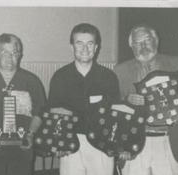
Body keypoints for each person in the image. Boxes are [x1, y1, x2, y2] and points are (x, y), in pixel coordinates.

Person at [47, 23, 120, 175]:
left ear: (96, 47)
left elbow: (115, 115)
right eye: (79, 43)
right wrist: (57, 143)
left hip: (102, 143)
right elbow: (53, 112)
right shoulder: (60, 77)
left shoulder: (108, 77)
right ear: (71, 47)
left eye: (90, 43)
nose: (85, 49)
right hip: (70, 142)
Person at [0, 33, 46, 175]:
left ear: (20, 55)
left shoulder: (31, 80)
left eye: (14, 52)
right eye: (4, 52)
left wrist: (30, 135)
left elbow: (39, 112)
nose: (9, 57)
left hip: (22, 148)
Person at [114, 24, 178, 175]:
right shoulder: (121, 71)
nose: (143, 46)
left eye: (147, 40)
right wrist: (127, 100)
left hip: (169, 140)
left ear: (156, 40)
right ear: (132, 46)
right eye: (137, 43)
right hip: (135, 140)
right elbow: (113, 109)